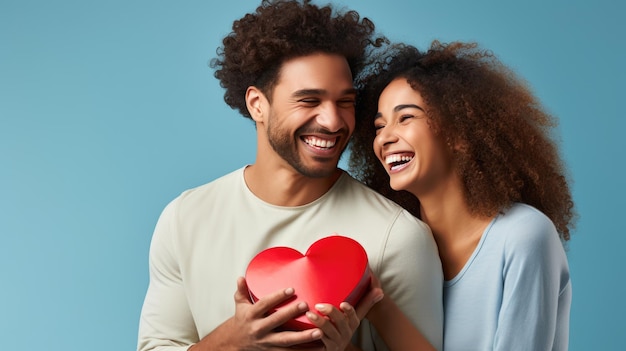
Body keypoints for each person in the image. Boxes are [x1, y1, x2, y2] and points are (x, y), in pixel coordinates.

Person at [137, 1, 444, 351]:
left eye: (345, 101)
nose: (333, 121)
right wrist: (231, 342)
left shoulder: (397, 238)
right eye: (309, 100)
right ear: (257, 104)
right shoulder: (185, 219)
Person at [349, 41, 576, 350]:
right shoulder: (398, 248)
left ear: (459, 135)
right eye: (379, 126)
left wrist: (384, 312)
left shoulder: (523, 237)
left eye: (406, 118)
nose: (385, 138)